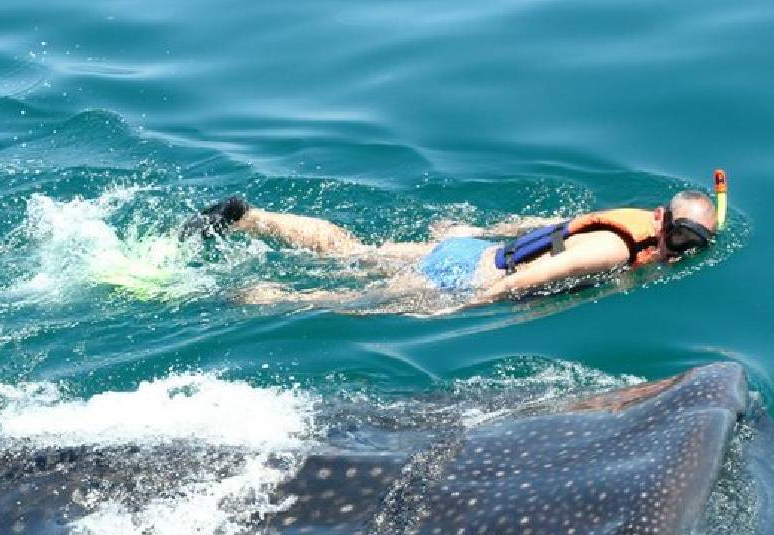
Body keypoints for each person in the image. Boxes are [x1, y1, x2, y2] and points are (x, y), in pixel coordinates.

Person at [179, 187, 721, 309]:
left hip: (472, 251)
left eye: (695, 243)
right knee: (353, 300)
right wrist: (470, 305)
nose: (683, 249)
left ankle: (252, 219)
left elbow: (544, 226)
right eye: (680, 236)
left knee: (352, 251)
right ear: (660, 220)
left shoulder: (629, 220)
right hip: (470, 278)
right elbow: (531, 280)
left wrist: (482, 232)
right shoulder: (614, 250)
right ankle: (266, 296)